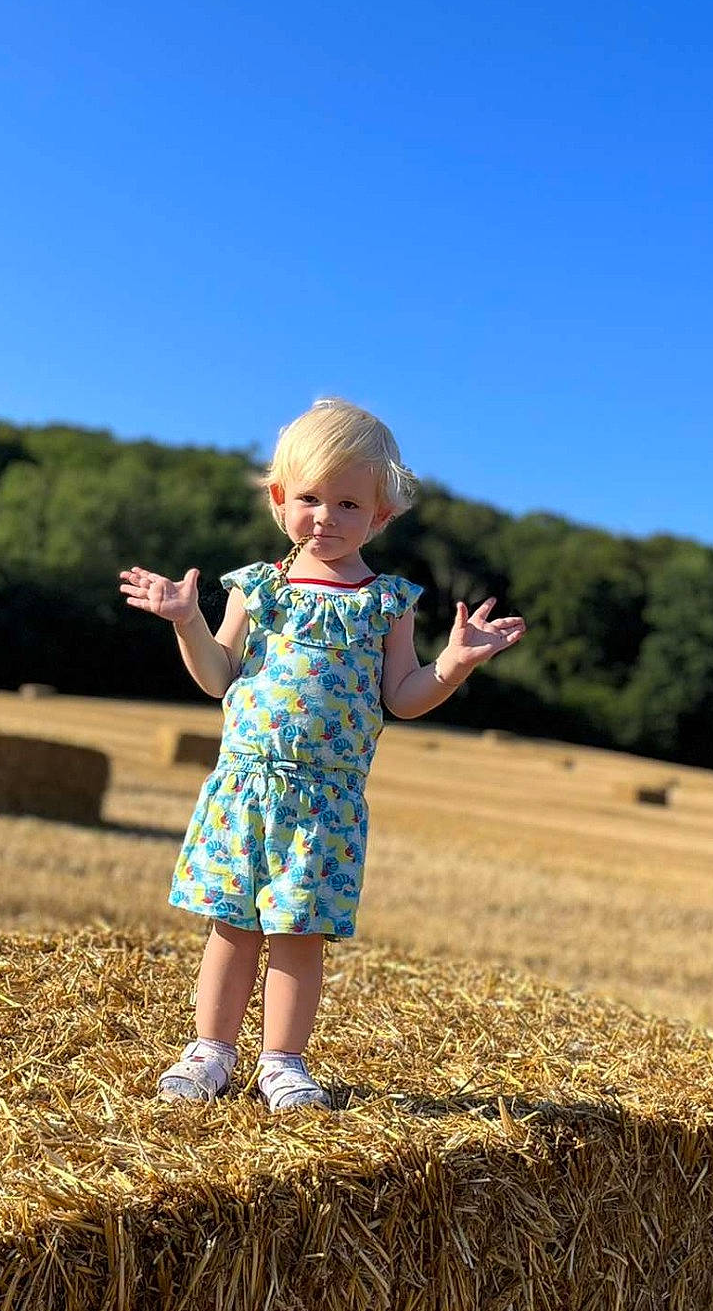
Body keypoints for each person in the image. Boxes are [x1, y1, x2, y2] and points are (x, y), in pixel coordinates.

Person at [118, 398, 526, 1112]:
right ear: (280, 500)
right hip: (246, 788)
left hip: (325, 802)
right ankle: (210, 1052)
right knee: (232, 928)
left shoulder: (386, 603)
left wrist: (455, 664)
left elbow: (402, 695)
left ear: (381, 516)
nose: (326, 517)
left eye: (347, 503)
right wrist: (187, 622)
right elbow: (219, 676)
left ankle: (283, 1063)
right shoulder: (259, 588)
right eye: (309, 498)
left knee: (298, 936)